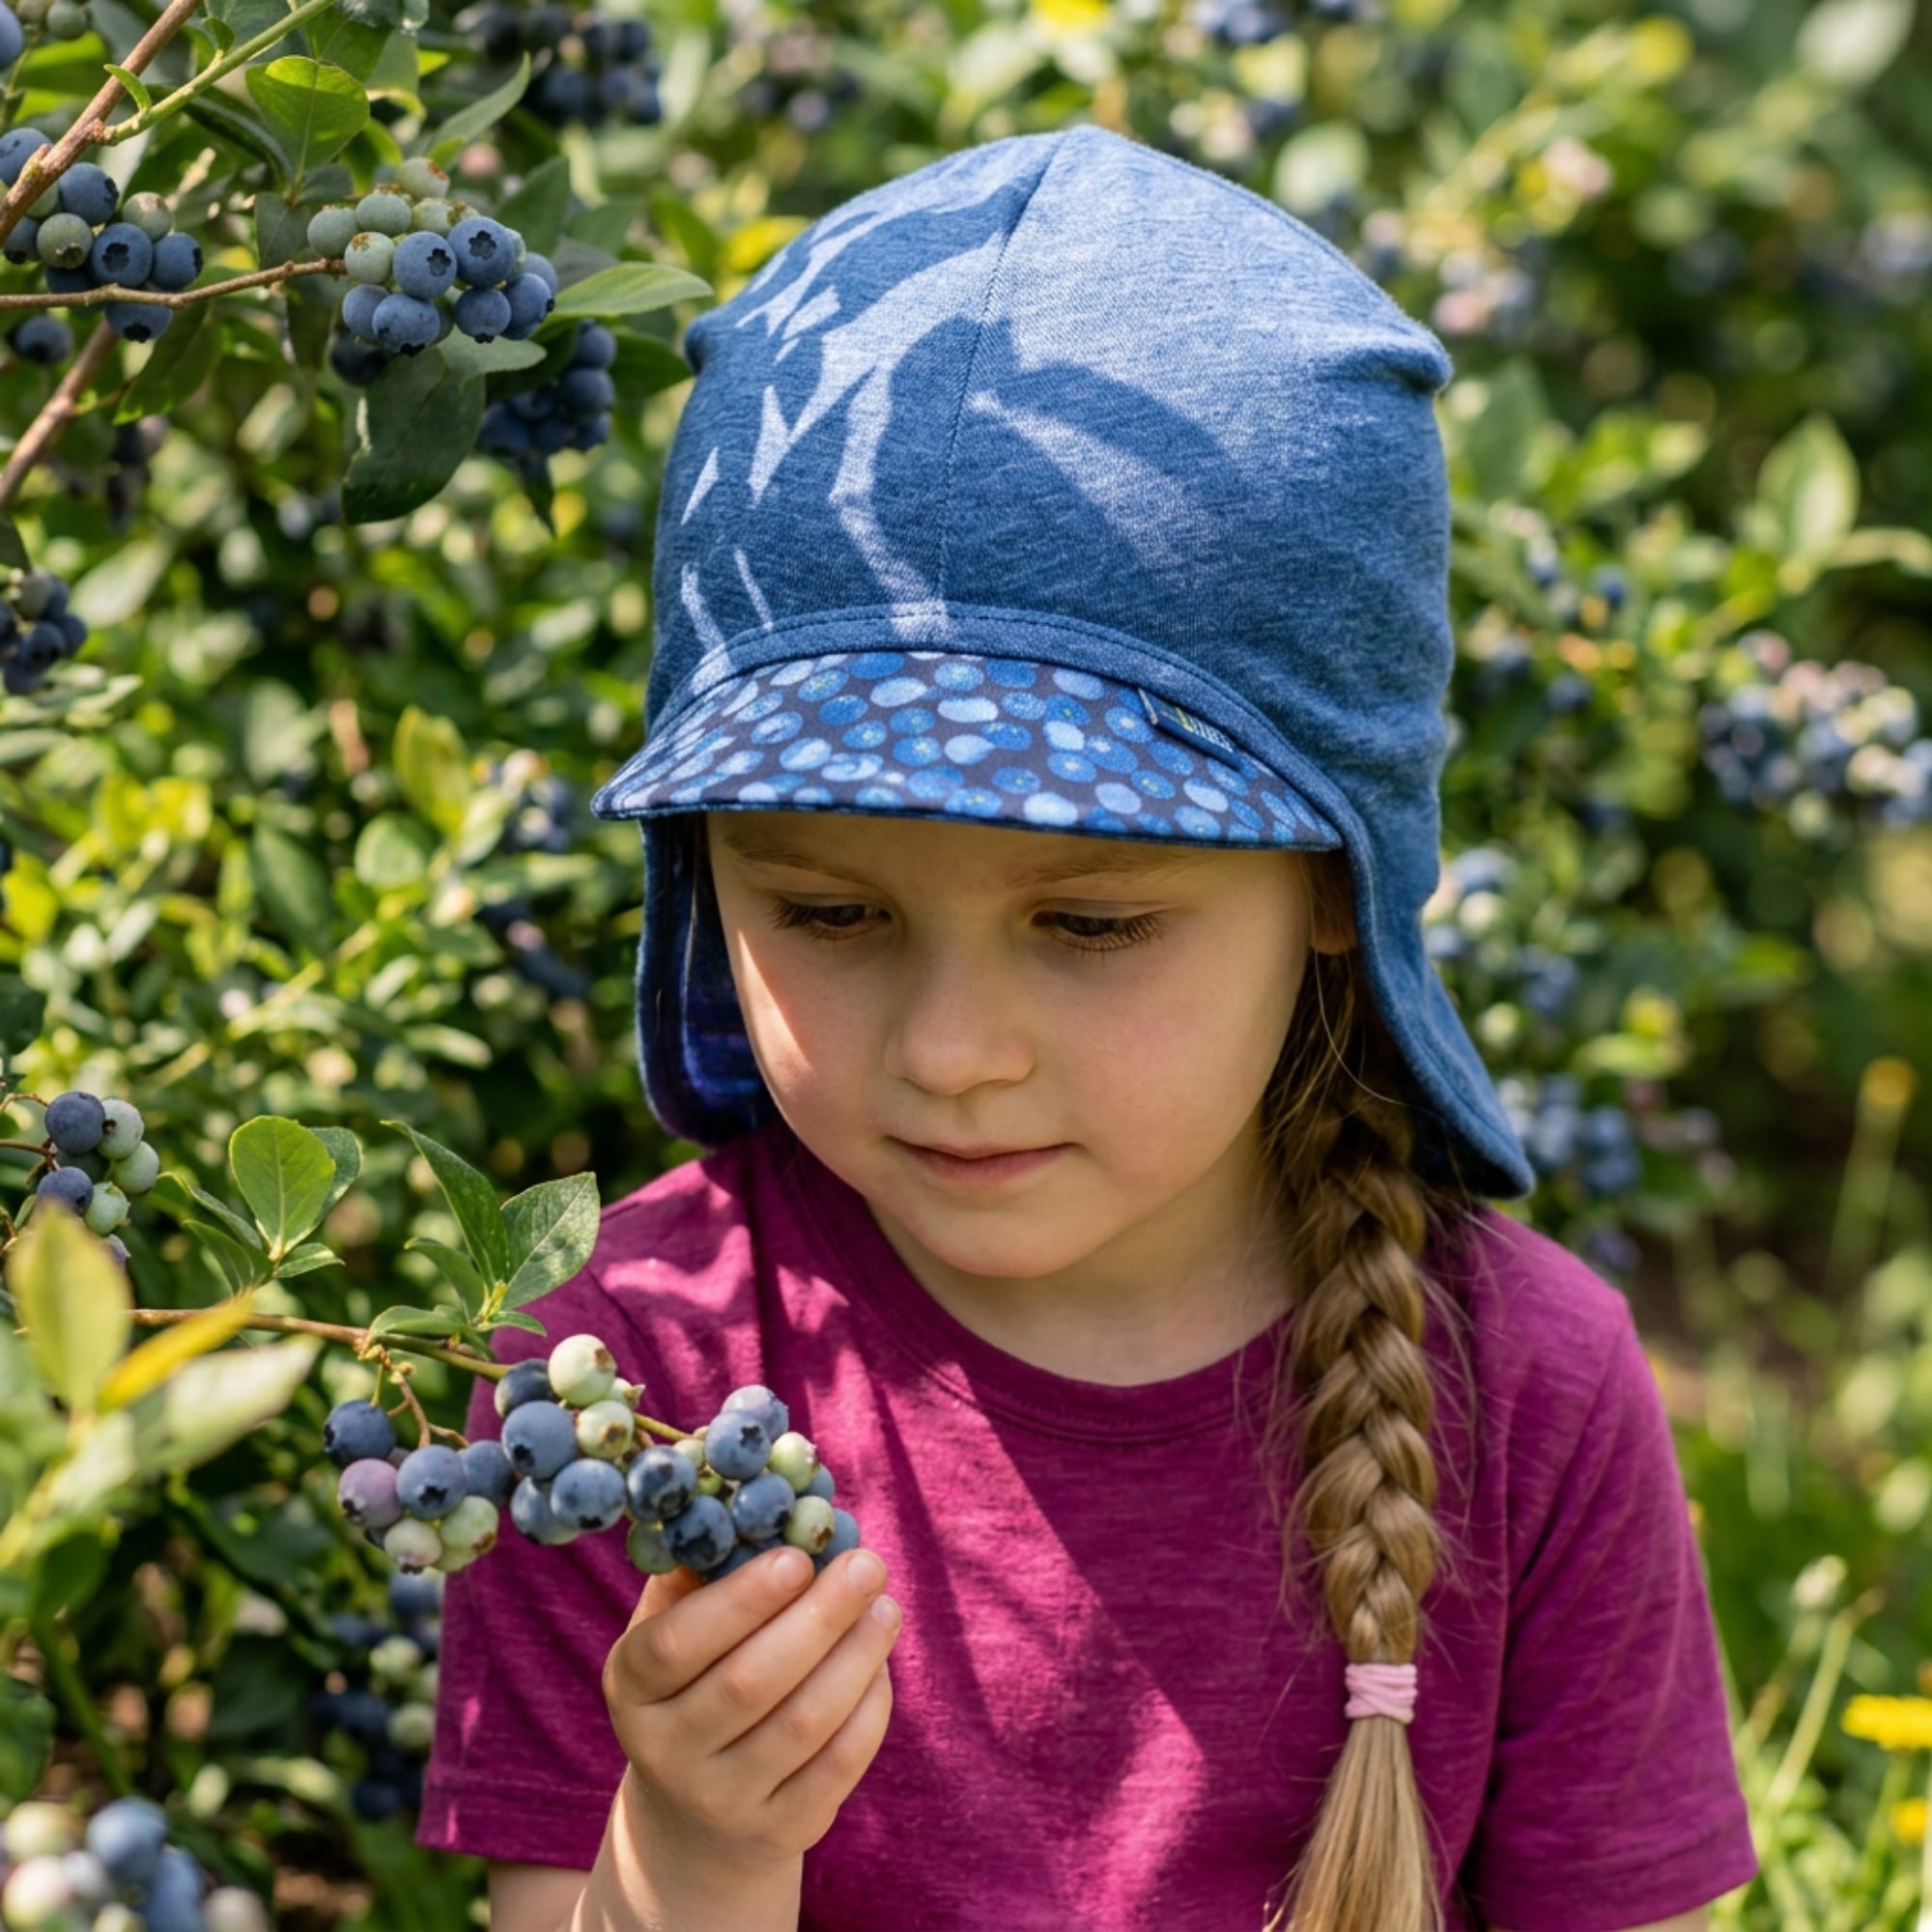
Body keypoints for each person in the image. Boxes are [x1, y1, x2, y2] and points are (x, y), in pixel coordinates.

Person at [417, 124, 1760, 1932]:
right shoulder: (628, 1376)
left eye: (1093, 924)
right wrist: (700, 1848)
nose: (952, 1051)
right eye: (830, 914)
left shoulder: (1529, 1394)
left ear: (1337, 886)